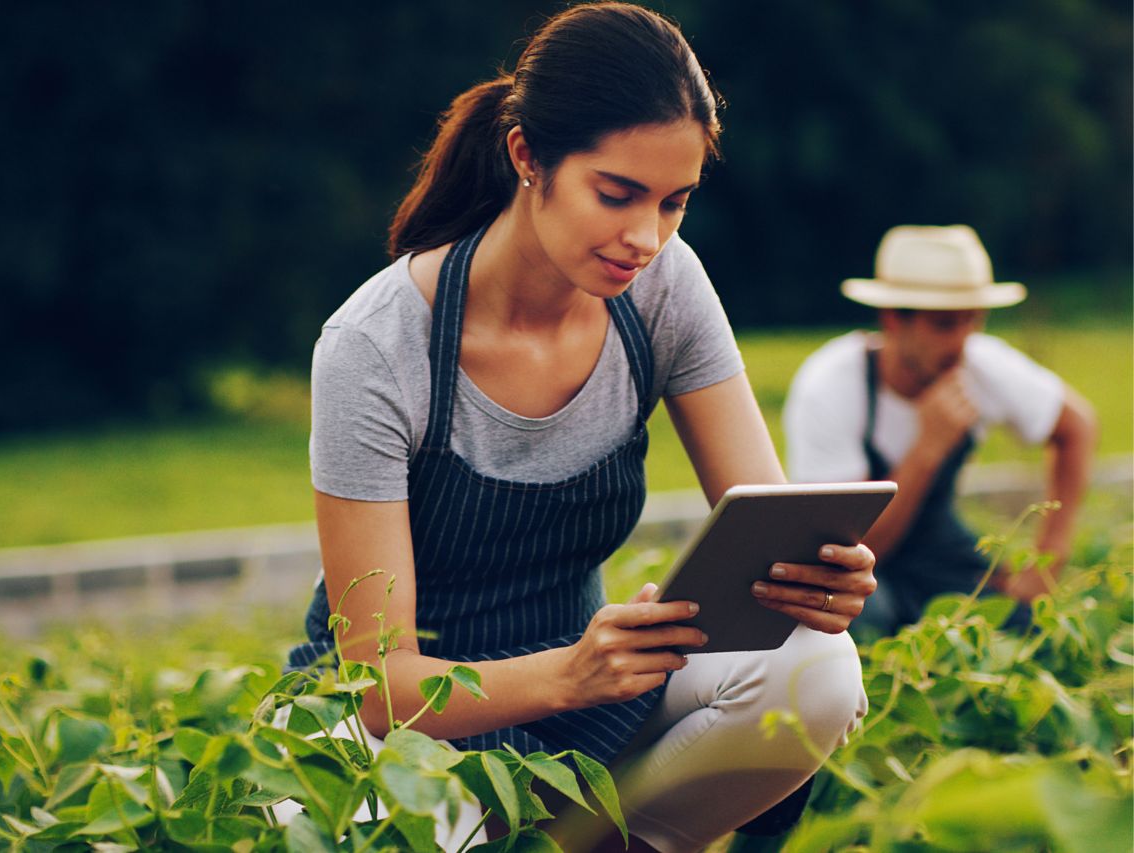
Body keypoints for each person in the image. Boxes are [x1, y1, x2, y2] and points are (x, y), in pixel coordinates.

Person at [286, 5, 878, 850]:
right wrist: (567, 673)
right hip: (404, 725)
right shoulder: (376, 346)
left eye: (674, 202)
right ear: (528, 155)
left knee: (816, 672)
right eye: (617, 193)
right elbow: (380, 685)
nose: (646, 237)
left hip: (591, 686)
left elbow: (763, 514)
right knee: (407, 826)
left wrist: (812, 577)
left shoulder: (665, 286)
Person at [783, 224, 1097, 636]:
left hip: (938, 549)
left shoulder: (978, 363)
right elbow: (848, 551)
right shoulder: (830, 385)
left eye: (974, 321)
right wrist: (927, 449)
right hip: (856, 566)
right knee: (862, 622)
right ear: (894, 319)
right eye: (946, 324)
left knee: (1022, 627)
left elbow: (1077, 426)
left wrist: (1048, 562)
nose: (963, 341)